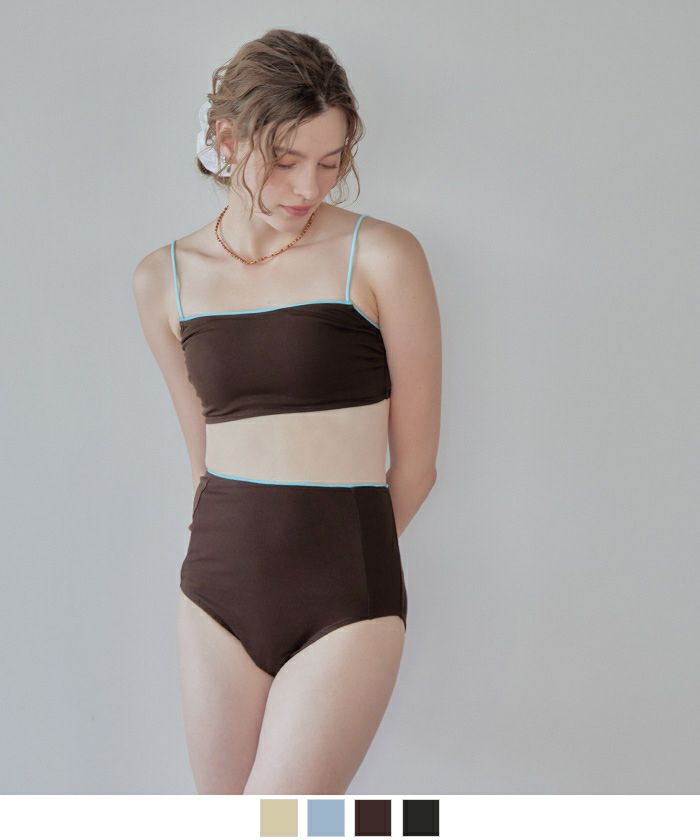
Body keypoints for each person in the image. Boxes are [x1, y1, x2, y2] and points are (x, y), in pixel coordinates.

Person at [132, 28, 441, 795]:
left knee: (285, 826)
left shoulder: (382, 257)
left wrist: (334, 558)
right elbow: (203, 460)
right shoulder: (163, 280)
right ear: (228, 141)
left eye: (331, 162)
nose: (309, 187)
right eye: (286, 160)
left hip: (346, 597)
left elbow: (417, 469)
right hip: (216, 593)